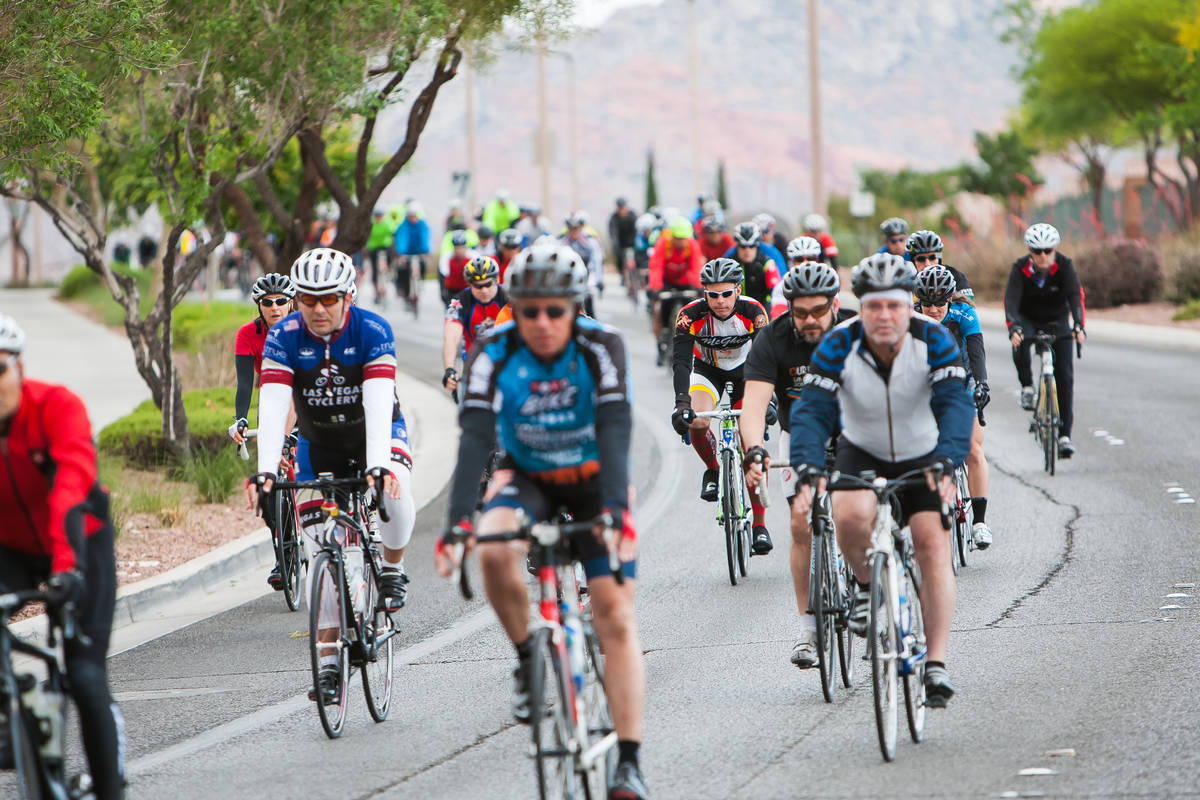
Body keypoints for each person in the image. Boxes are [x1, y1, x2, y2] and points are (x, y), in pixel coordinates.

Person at [435, 241, 649, 800]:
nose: (543, 321)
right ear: (515, 307)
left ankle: (629, 760)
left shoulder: (601, 344)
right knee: (494, 546)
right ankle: (528, 652)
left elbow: (615, 428)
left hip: (592, 475)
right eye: (529, 310)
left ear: (576, 306)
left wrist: (619, 516)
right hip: (526, 474)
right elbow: (476, 434)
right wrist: (457, 522)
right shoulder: (493, 348)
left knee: (615, 617)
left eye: (555, 310)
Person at [789, 253, 974, 708]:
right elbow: (811, 411)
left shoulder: (934, 340)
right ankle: (869, 587)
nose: (885, 315)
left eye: (894, 305)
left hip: (924, 449)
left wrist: (949, 461)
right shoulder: (838, 344)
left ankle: (936, 664)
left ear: (909, 304)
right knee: (848, 516)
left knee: (932, 542)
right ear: (860, 307)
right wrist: (808, 469)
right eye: (874, 307)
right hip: (863, 446)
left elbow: (954, 402)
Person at [246, 249, 417, 706]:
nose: (318, 309)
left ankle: (393, 569)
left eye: (328, 299)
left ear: (348, 295)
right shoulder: (282, 337)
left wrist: (379, 465)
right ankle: (327, 667)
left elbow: (380, 401)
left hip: (373, 434)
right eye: (307, 299)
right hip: (317, 443)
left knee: (396, 490)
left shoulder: (372, 330)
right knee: (322, 546)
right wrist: (264, 473)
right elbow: (274, 404)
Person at [0, 314, 126, 800]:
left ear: (20, 368)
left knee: (86, 674)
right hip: (10, 550)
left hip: (79, 545)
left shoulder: (56, 407)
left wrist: (66, 567)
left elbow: (70, 489)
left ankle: (110, 790)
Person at [741, 262, 855, 667]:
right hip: (799, 437)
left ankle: (867, 584)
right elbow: (753, 406)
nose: (808, 320)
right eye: (799, 312)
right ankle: (808, 627)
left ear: (835, 304)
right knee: (798, 523)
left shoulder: (854, 331)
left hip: (854, 434)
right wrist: (754, 450)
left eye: (817, 311)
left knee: (854, 512)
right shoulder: (772, 339)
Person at [669, 258, 773, 553]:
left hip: (747, 373)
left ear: (738, 290)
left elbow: (768, 359)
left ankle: (760, 525)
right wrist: (681, 403)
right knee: (698, 422)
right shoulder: (690, 316)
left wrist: (770, 398)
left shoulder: (753, 312)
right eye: (712, 294)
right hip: (707, 371)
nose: (720, 301)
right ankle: (714, 469)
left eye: (726, 293)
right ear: (704, 293)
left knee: (749, 442)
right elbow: (680, 362)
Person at [914, 266, 993, 549]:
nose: (933, 309)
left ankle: (980, 522)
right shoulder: (910, 320)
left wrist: (982, 385)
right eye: (927, 303)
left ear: (950, 298)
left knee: (972, 447)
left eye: (940, 303)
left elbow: (976, 354)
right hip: (925, 387)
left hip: (963, 383)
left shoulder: (964, 315)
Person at [229, 273, 298, 586]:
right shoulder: (248, 334)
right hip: (273, 394)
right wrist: (241, 419)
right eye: (267, 303)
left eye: (281, 301)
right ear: (259, 306)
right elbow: (245, 384)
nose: (274, 307)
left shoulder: (302, 329)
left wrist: (289, 435)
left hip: (304, 395)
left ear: (291, 303)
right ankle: (282, 553)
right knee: (268, 480)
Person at [1004, 223, 1086, 458]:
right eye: (1037, 251)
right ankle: (1028, 386)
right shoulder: (1020, 269)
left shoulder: (1065, 266)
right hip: (1028, 318)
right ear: (1030, 251)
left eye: (1047, 251)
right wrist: (1014, 327)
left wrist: (1079, 324)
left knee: (1065, 377)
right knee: (1019, 340)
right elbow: (1011, 300)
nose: (1042, 256)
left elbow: (1075, 296)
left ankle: (1064, 436)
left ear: (1054, 249)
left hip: (1057, 320)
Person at [442, 256, 508, 397]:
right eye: (478, 286)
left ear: (497, 280)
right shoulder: (459, 302)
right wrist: (450, 369)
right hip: (475, 369)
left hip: (507, 366)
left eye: (488, 284)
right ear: (469, 285)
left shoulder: (509, 297)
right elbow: (451, 338)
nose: (484, 290)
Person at [647, 217, 704, 360]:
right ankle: (663, 337)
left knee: (688, 311)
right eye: (678, 238)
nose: (681, 242)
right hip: (667, 282)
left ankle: (688, 339)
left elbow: (696, 265)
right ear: (672, 236)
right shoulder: (663, 244)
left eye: (684, 238)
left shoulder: (691, 245)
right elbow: (656, 266)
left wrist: (698, 286)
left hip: (685, 281)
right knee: (663, 308)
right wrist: (656, 287)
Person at [725, 222, 782, 311]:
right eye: (743, 247)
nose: (747, 251)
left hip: (761, 311)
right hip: (734, 311)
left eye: (751, 246)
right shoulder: (728, 263)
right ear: (737, 246)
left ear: (757, 246)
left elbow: (776, 294)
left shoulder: (767, 264)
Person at [906, 229, 973, 300]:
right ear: (913, 261)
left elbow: (969, 305)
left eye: (932, 257)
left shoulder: (955, 275)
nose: (927, 264)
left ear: (939, 258)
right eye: (921, 259)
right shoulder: (905, 279)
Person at [561, 211, 605, 317]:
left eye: (577, 228)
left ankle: (592, 321)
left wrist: (598, 280)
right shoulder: (562, 242)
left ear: (582, 228)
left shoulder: (590, 243)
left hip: (586, 274)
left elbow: (596, 262)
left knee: (588, 296)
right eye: (571, 228)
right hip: (568, 276)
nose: (574, 231)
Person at [393, 202, 432, 298]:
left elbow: (425, 238)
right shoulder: (403, 225)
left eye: (414, 216)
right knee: (403, 269)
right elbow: (402, 238)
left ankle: (421, 280)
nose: (412, 218)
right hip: (407, 253)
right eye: (410, 216)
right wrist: (401, 251)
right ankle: (403, 289)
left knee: (423, 265)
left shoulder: (422, 225)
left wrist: (425, 250)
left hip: (419, 252)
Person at [366, 209, 397, 304]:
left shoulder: (385, 224)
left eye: (380, 216)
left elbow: (391, 232)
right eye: (377, 216)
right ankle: (376, 292)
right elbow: (367, 236)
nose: (379, 218)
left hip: (384, 248)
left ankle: (387, 271)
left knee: (387, 261)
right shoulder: (371, 225)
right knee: (375, 271)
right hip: (373, 249)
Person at [439, 229, 477, 305]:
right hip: (453, 291)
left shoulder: (474, 256)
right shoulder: (446, 257)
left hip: (469, 290)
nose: (459, 250)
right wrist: (443, 292)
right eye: (457, 248)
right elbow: (443, 275)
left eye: (462, 247)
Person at [609, 197, 638, 286]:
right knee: (619, 257)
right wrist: (615, 243)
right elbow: (613, 232)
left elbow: (636, 229)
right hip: (620, 243)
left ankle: (636, 276)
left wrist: (635, 242)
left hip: (632, 242)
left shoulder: (632, 215)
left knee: (637, 256)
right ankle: (622, 274)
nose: (622, 210)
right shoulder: (614, 218)